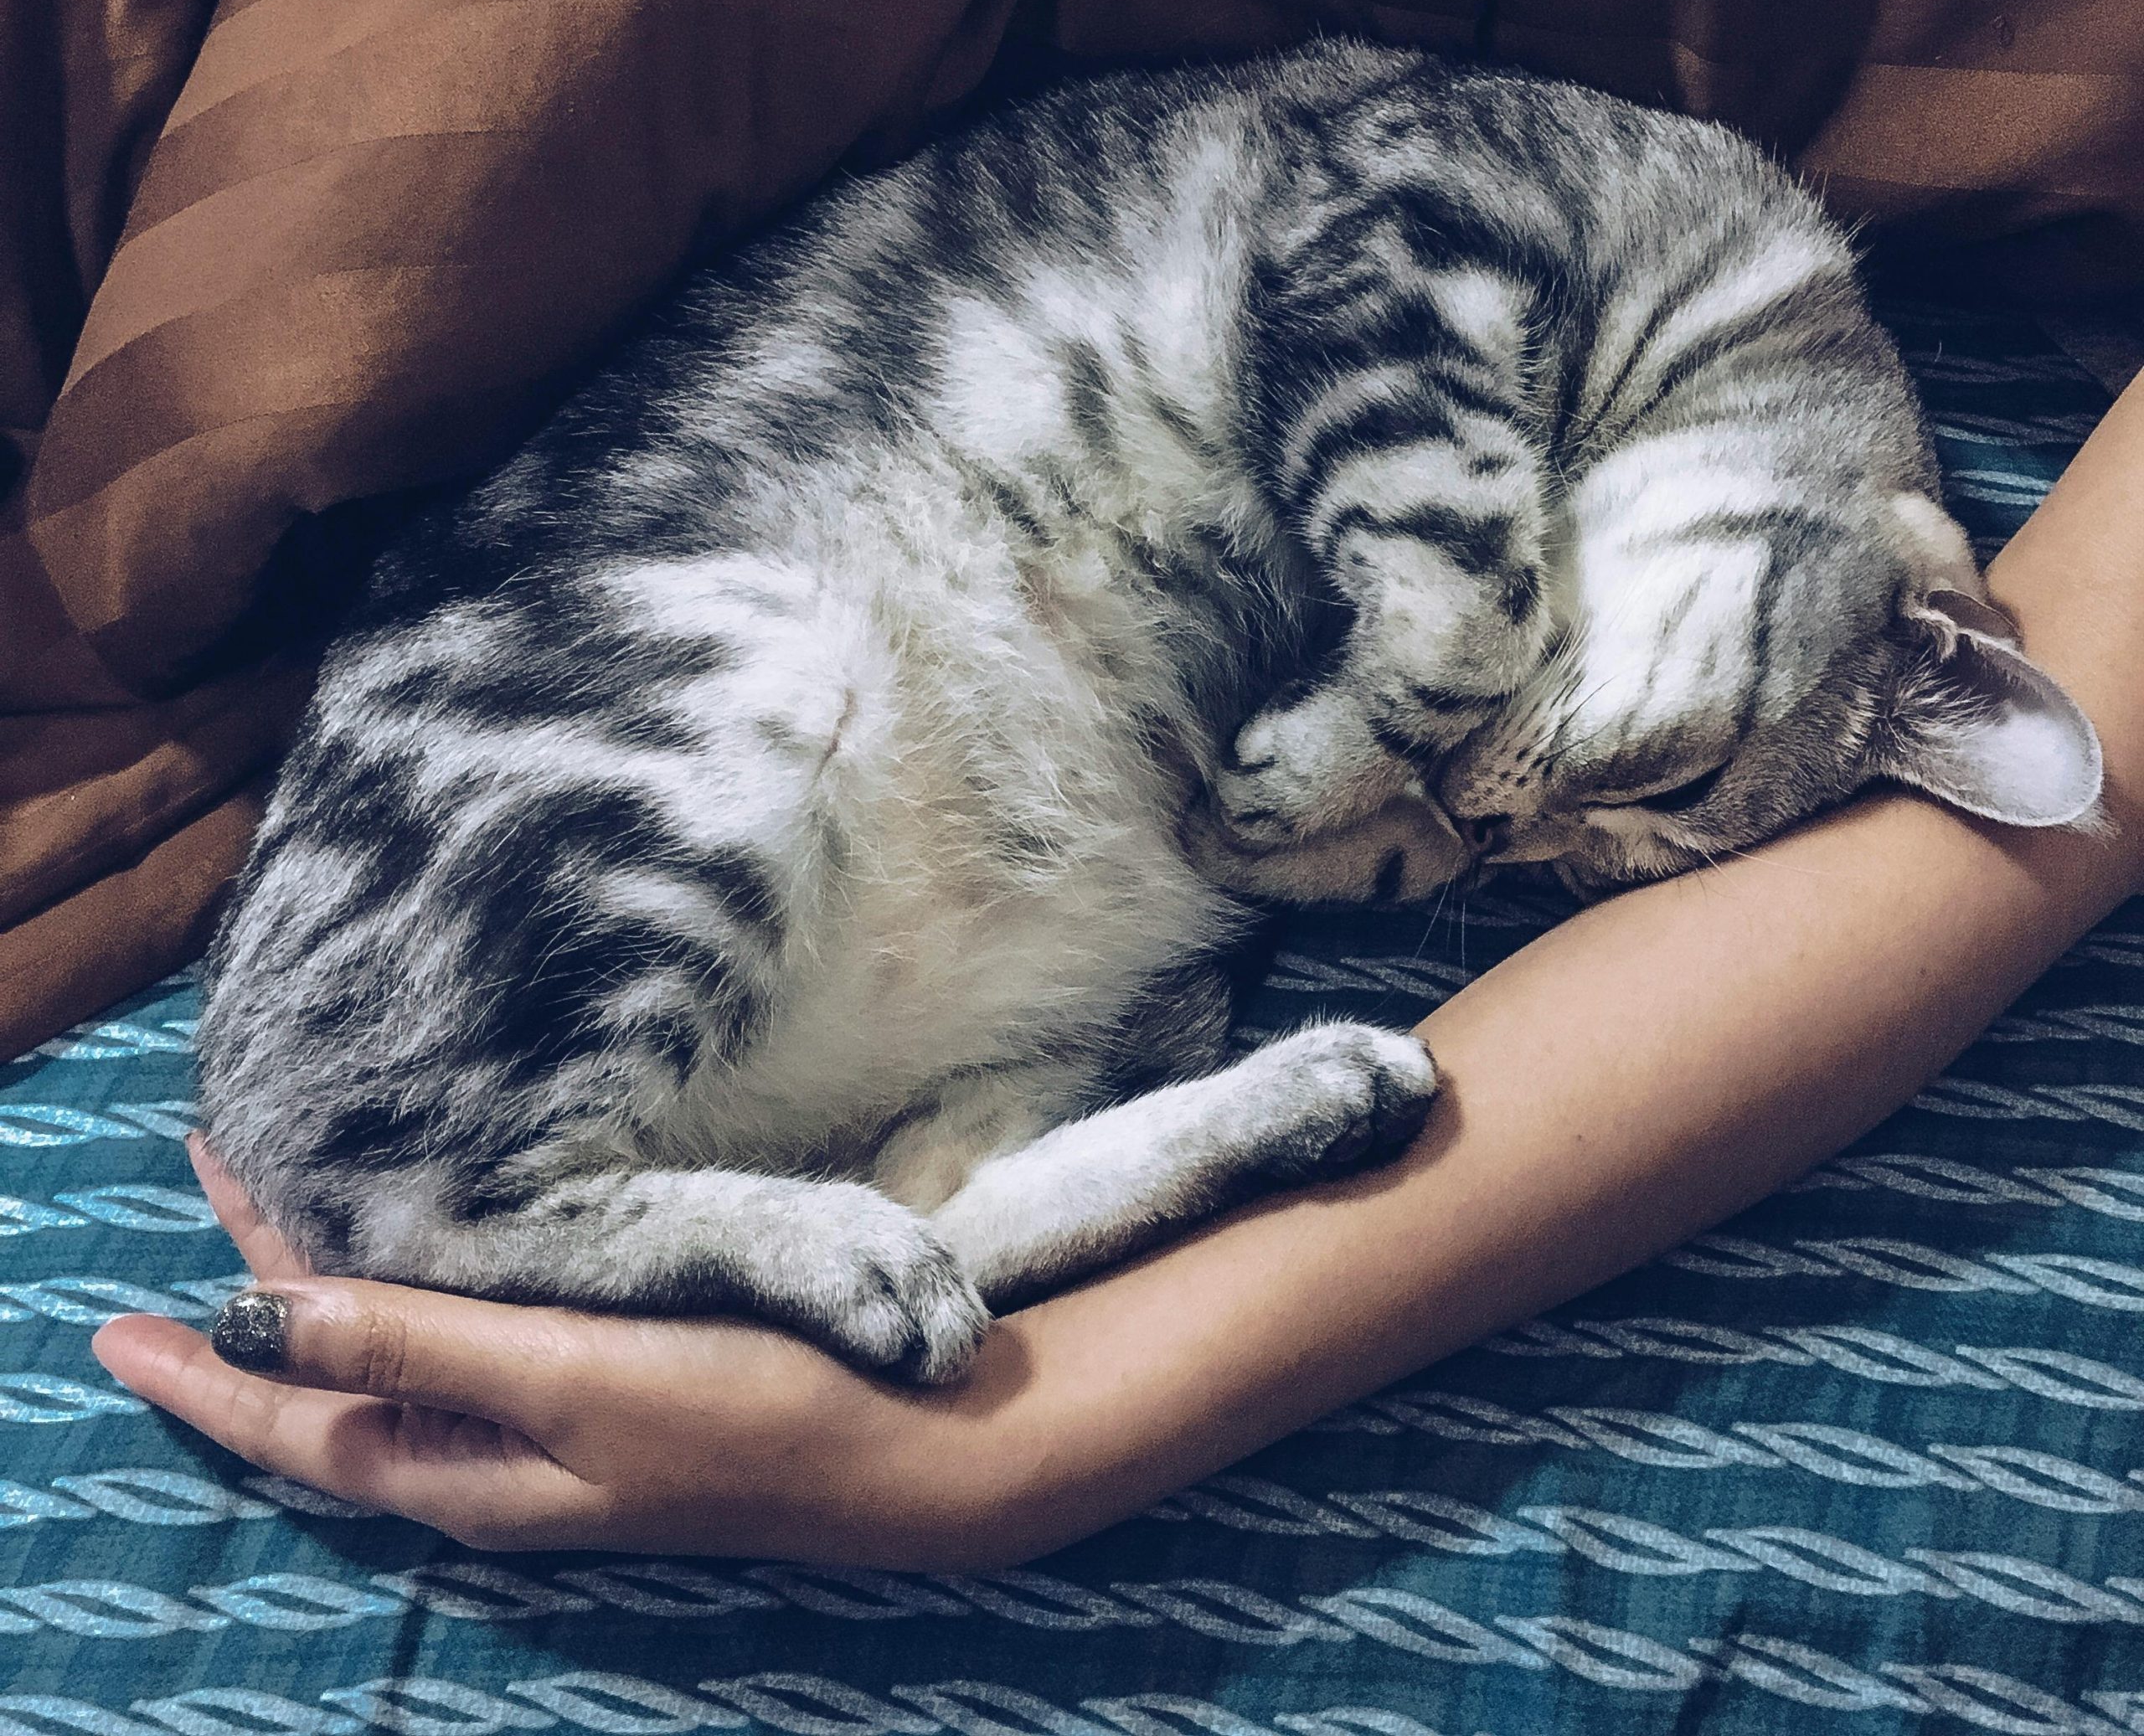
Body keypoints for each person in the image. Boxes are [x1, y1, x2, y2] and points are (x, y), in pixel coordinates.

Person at [91, 371, 2144, 1564]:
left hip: (1023, 805)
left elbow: (2017, 808)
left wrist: (1053, 1422)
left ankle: (972, 1208)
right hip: (805, 525)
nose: (1509, 816)